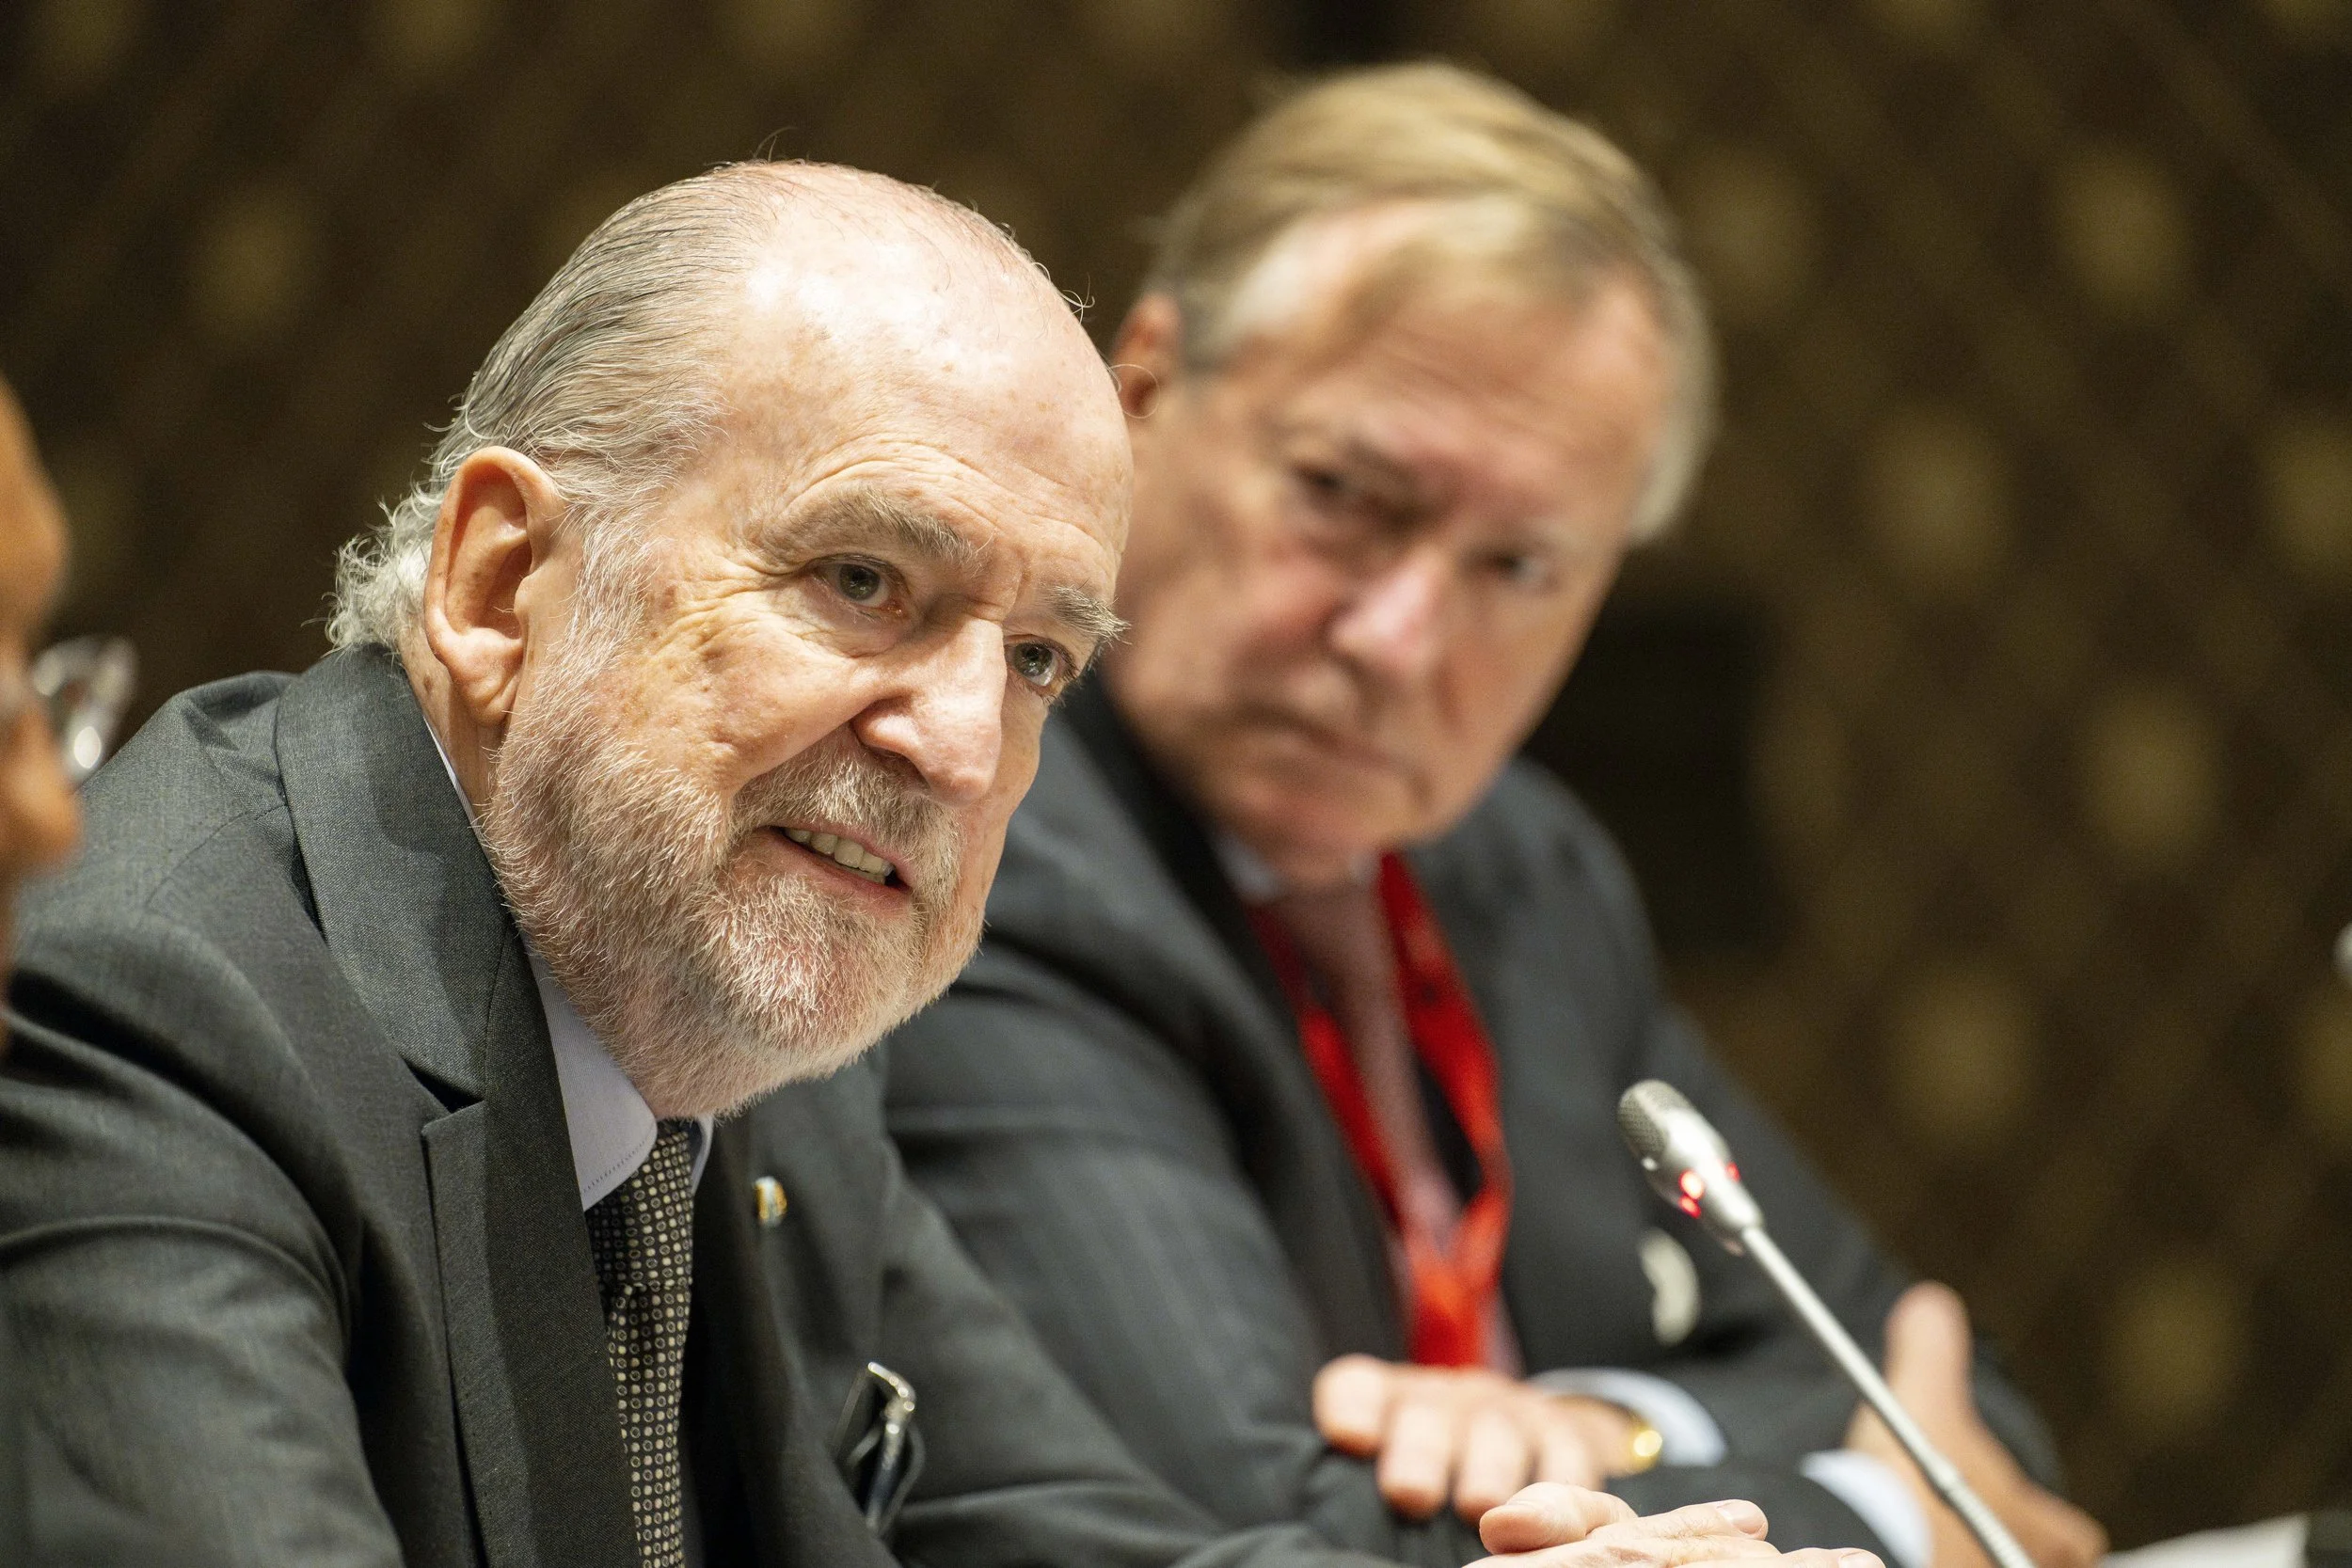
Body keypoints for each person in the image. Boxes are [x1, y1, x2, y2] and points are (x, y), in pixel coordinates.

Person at [0, 162, 1866, 1568]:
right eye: (862, 584)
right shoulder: (152, 1003)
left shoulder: (754, 1024)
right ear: (501, 583)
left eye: (1040, 656)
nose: (964, 748)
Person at [878, 64, 2108, 1568]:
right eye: (1344, 493)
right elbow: (1272, 1540)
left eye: (1518, 567)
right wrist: (1872, 1510)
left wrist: (1607, 1426)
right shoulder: (977, 843)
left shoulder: (1522, 863)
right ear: (1140, 390)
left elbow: (1940, 1386)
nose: (1398, 638)